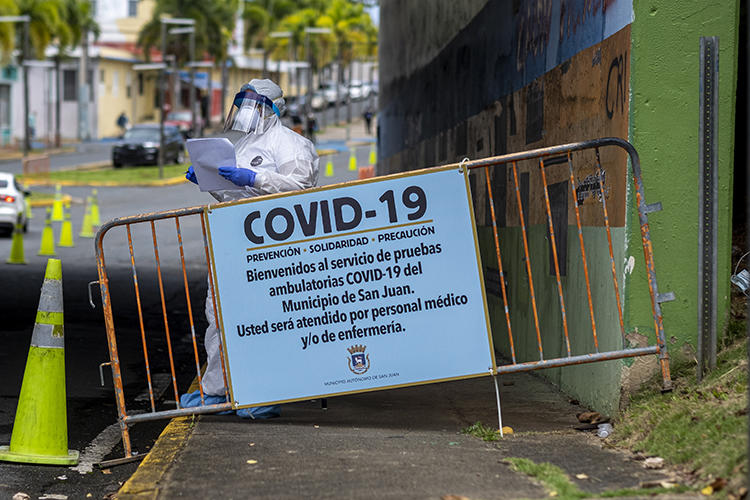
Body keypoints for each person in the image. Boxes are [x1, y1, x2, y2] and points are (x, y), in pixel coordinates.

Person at [183, 79, 319, 418]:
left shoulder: (290, 144)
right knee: (220, 317)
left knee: (266, 317)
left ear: (272, 109)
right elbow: (234, 197)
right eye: (242, 105)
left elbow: (300, 186)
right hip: (232, 241)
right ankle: (218, 391)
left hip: (273, 247)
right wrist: (209, 182)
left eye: (254, 105)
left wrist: (253, 178)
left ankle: (264, 391)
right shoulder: (240, 146)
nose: (247, 112)